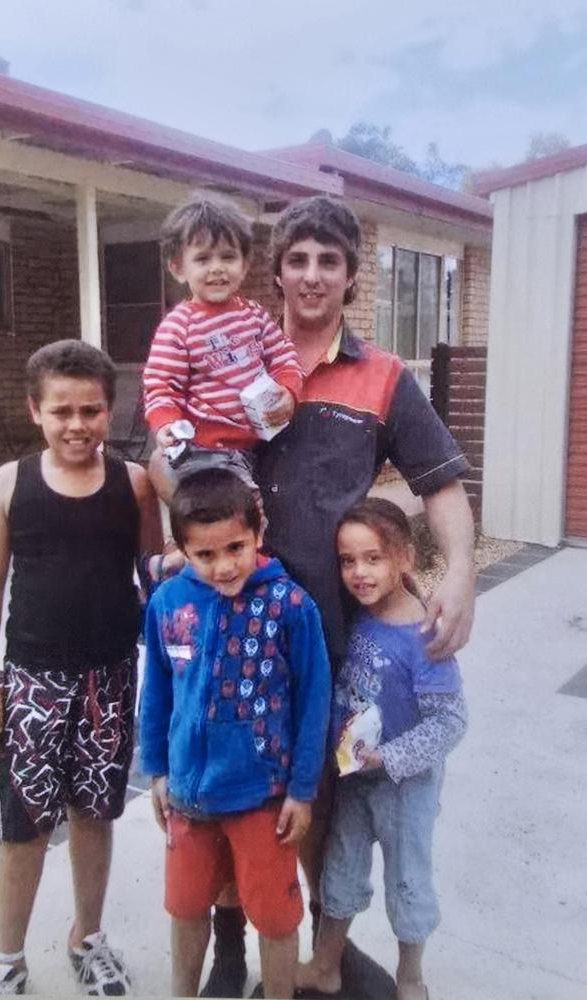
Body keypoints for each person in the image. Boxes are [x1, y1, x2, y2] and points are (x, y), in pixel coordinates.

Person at [198, 196, 477, 996]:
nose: (313, 274)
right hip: (230, 621)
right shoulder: (230, 358)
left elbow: (442, 486)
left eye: (329, 260)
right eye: (298, 259)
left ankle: (324, 942)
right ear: (276, 269)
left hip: (327, 636)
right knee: (225, 780)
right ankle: (226, 951)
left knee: (315, 792)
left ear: (352, 275)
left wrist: (457, 573)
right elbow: (171, 453)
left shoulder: (384, 377)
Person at [0, 339, 161, 996]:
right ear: (36, 411)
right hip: (31, 684)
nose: (77, 424)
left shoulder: (134, 485)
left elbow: (157, 578)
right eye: (63, 412)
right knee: (24, 828)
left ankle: (87, 935)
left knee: (93, 816)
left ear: (111, 410)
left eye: (91, 410)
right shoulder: (9, 483)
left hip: (110, 678)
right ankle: (8, 959)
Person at [138, 468, 331, 999]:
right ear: (183, 549)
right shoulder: (167, 604)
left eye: (235, 547)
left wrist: (302, 789)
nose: (224, 566)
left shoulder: (291, 605)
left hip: (263, 795)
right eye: (205, 555)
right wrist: (156, 769)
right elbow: (155, 692)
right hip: (188, 793)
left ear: (258, 533)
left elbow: (314, 702)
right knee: (186, 905)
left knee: (274, 915)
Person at [296, 497, 467, 1000]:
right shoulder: (359, 616)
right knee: (341, 870)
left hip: (404, 786)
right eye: (348, 561)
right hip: (355, 777)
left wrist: (389, 758)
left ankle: (411, 977)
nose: (359, 572)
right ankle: (326, 965)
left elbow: (451, 722)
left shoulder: (425, 637)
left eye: (373, 558)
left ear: (405, 559)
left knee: (407, 881)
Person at [143, 196, 303, 506]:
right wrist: (165, 424)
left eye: (227, 257)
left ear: (244, 265)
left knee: (236, 519)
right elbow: (161, 385)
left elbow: (283, 354)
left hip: (251, 448)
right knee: (244, 516)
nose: (217, 269)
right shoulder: (178, 325)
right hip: (204, 450)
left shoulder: (253, 315)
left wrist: (288, 391)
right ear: (178, 268)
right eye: (203, 259)